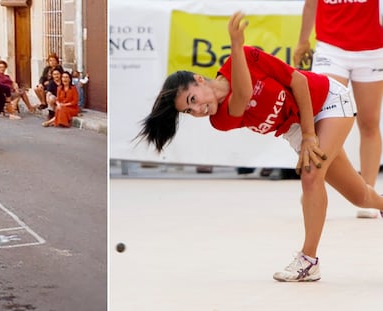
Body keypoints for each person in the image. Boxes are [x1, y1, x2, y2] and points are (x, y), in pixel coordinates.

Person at [136, 12, 383, 282]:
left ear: (199, 79)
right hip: (297, 130)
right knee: (360, 196)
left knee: (311, 177)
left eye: (193, 99)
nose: (198, 109)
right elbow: (242, 96)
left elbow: (298, 81)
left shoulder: (248, 56)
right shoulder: (220, 119)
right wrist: (236, 46)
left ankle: (309, 261)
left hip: (327, 100)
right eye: (190, 110)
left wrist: (311, 134)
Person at [293, 0, 383, 219]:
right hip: (330, 49)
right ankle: (314, 185)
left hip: (372, 50)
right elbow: (311, 4)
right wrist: (303, 41)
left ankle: (367, 193)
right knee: (324, 120)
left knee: (369, 122)